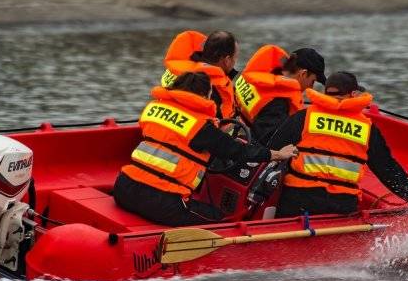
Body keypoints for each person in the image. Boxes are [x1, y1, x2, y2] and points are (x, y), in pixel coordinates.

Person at [114, 72, 298, 227]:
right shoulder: (200, 127)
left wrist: (216, 132)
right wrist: (277, 154)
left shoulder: (153, 109)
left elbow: (175, 138)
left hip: (124, 187)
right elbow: (238, 151)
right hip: (161, 200)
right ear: (203, 96)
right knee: (220, 219)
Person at [269, 71, 408, 218]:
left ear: (325, 93)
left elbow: (272, 151)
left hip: (297, 202)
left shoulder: (303, 117)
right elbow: (387, 170)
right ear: (353, 94)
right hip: (341, 205)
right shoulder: (366, 128)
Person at [235, 45, 326, 146]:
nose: (311, 87)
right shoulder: (279, 103)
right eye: (312, 81)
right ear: (303, 74)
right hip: (248, 149)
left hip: (237, 132)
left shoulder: (264, 78)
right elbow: (271, 144)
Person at [160, 30, 239, 120]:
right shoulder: (210, 87)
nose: (234, 62)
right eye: (235, 58)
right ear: (227, 60)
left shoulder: (180, 71)